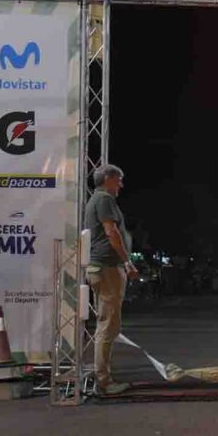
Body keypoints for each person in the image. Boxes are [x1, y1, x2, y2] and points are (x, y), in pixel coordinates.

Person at [84, 164, 139, 396]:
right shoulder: (105, 199)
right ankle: (104, 381)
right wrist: (127, 262)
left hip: (102, 268)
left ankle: (104, 375)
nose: (121, 184)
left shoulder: (98, 199)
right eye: (119, 179)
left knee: (107, 323)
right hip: (107, 268)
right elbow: (111, 232)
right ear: (108, 179)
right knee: (108, 325)